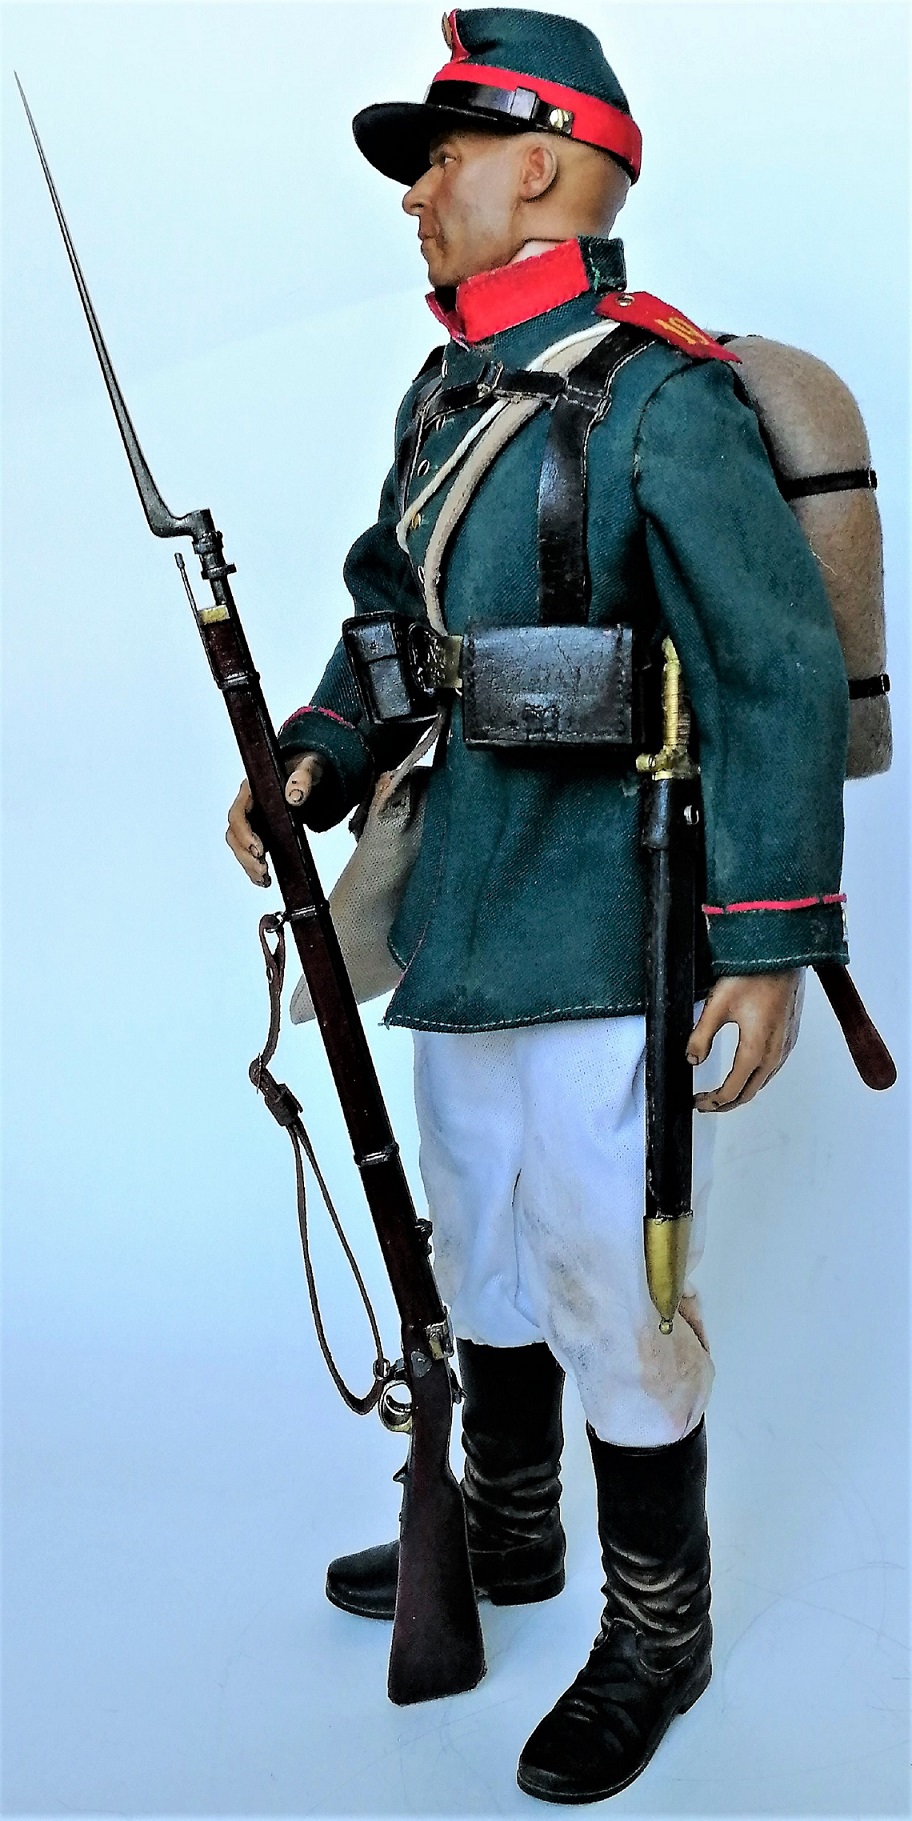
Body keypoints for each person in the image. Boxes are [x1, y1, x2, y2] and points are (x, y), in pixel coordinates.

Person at [226, 8, 848, 1804]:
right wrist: (317, 757)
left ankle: (660, 1626)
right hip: (464, 906)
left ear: (552, 167)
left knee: (604, 1268)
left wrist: (767, 947)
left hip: (604, 914)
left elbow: (774, 675)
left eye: (445, 158)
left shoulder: (661, 395)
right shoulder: (446, 398)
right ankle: (505, 1528)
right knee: (480, 1240)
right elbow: (391, 612)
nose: (418, 193)